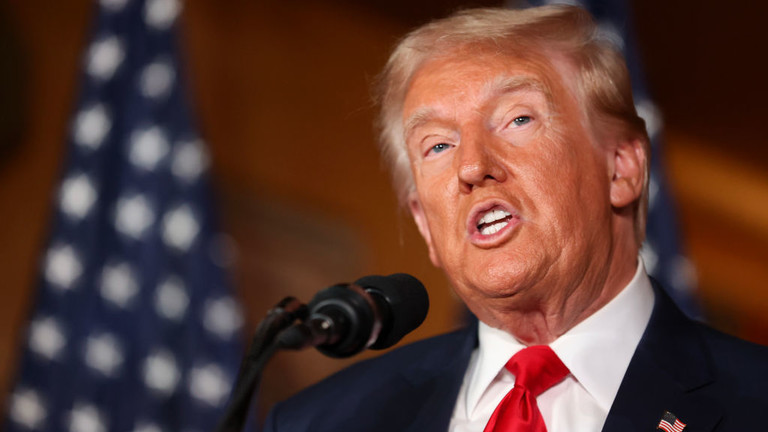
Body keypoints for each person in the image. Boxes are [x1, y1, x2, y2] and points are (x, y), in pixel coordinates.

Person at [263, 5, 768, 431]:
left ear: (621, 168)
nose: (472, 166)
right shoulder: (320, 422)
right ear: (424, 223)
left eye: (518, 119)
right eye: (438, 145)